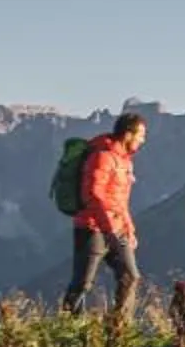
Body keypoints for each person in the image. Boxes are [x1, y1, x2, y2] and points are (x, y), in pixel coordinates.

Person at [63, 111, 149, 323]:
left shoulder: (125, 161)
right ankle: (69, 327)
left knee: (130, 276)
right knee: (82, 283)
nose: (143, 140)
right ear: (128, 134)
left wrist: (129, 229)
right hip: (92, 227)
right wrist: (109, 229)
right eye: (141, 135)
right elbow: (93, 195)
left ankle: (118, 329)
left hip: (116, 228)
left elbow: (120, 201)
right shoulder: (102, 156)